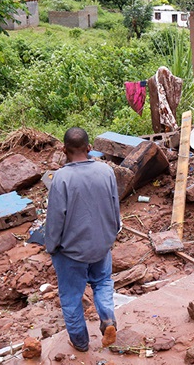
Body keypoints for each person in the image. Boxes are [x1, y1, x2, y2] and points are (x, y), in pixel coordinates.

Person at [45, 127, 121, 352]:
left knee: (71, 297)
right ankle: (108, 319)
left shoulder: (61, 178)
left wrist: (52, 247)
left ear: (64, 149)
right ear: (89, 148)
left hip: (72, 251)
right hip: (101, 244)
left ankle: (80, 343)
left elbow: (56, 219)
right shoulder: (106, 171)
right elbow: (115, 207)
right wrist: (110, 235)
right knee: (103, 282)